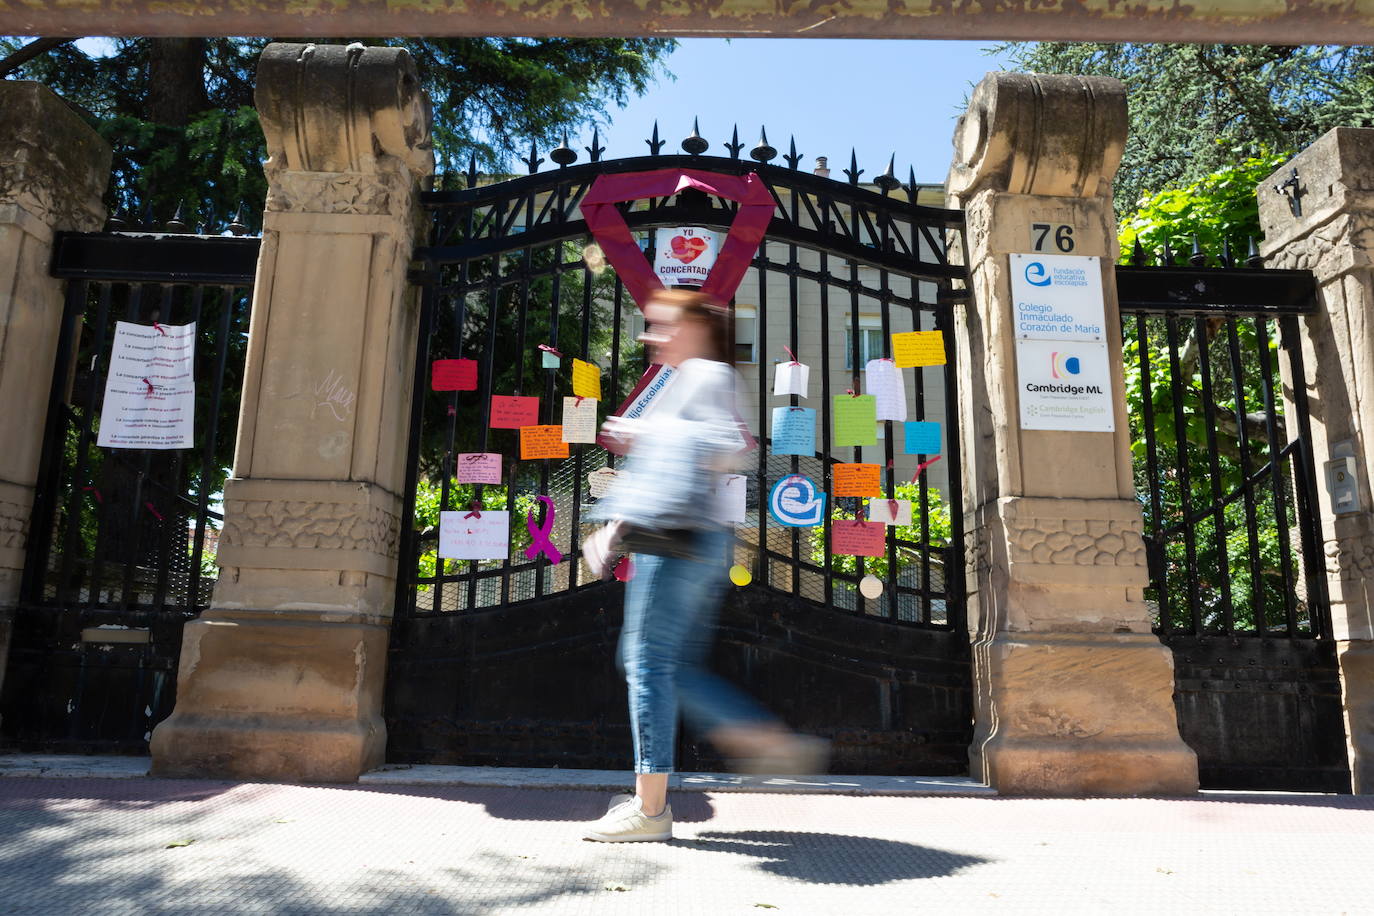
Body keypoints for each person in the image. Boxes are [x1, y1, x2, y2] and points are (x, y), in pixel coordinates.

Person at [581, 288, 828, 844]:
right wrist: (649, 435)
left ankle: (650, 811)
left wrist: (617, 528)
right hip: (700, 539)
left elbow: (712, 450)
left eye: (662, 325)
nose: (651, 337)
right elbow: (723, 445)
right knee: (672, 666)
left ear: (693, 328)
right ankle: (762, 738)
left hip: (672, 537)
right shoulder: (701, 379)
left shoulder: (701, 375)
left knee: (646, 664)